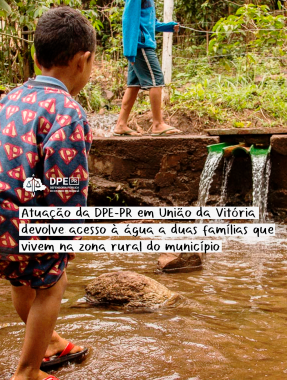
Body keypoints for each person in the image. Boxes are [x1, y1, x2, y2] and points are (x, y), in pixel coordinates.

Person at [0, 6, 96, 380]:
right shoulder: (67, 111)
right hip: (23, 222)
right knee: (52, 283)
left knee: (20, 277)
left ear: (35, 55)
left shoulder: (9, 99)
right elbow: (65, 186)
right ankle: (28, 373)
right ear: (82, 61)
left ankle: (51, 343)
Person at [113, 0, 181, 136]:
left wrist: (169, 27)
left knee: (134, 85)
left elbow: (150, 23)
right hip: (140, 45)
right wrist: (130, 51)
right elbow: (129, 20)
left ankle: (121, 124)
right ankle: (157, 124)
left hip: (139, 44)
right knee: (156, 79)